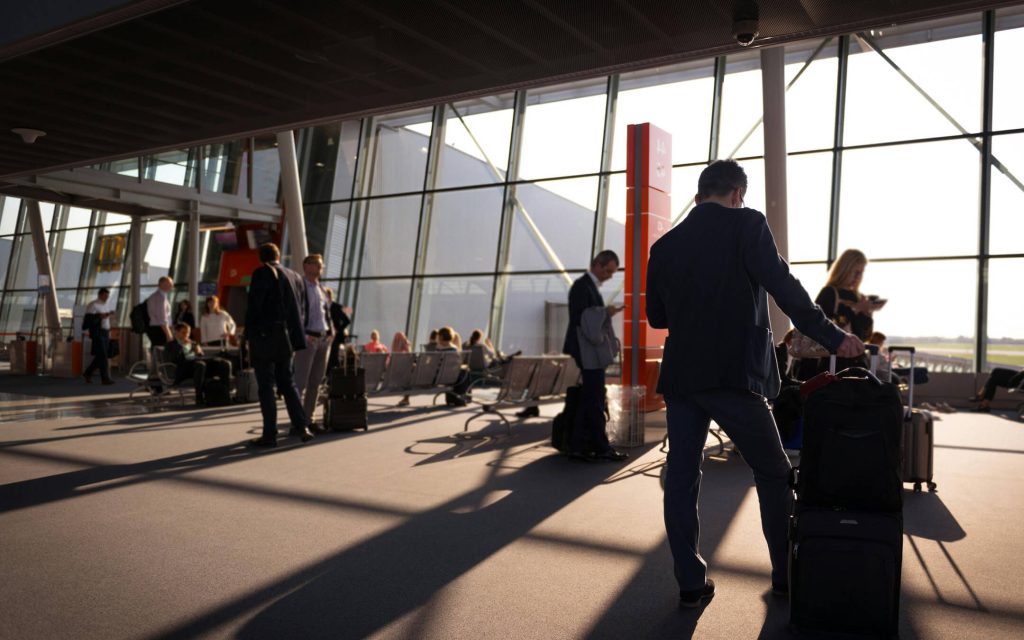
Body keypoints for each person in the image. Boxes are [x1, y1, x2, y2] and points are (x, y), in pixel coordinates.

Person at [645, 160, 864, 608]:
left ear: (699, 194)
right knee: (773, 471)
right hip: (733, 374)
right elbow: (785, 288)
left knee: (682, 479)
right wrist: (834, 338)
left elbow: (658, 318)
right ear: (736, 194)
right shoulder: (747, 224)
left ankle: (690, 583)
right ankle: (785, 574)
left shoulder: (664, 246)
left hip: (684, 377)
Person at [245, 243, 314, 447]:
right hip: (288, 340)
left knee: (266, 385)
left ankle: (269, 435)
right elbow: (304, 309)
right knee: (288, 383)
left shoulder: (261, 273)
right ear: (278, 256)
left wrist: (249, 335)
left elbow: (254, 307)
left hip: (266, 338)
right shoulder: (295, 276)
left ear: (261, 257)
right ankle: (302, 426)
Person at [562, 250, 628, 463]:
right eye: (608, 270)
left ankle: (579, 445)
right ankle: (599, 447)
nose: (609, 275)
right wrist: (606, 313)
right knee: (595, 398)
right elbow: (586, 322)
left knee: (590, 398)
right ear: (597, 265)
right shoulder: (583, 287)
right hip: (586, 351)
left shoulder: (584, 286)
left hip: (584, 350)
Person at [795, 249, 886, 379]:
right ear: (845, 269)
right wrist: (856, 310)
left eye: (861, 272)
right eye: (855, 272)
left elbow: (863, 336)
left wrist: (866, 313)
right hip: (828, 361)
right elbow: (821, 325)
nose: (858, 277)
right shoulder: (829, 293)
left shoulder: (859, 297)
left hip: (853, 360)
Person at [292, 254, 334, 432]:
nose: (319, 267)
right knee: (300, 382)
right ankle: (297, 422)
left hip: (323, 339)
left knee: (316, 382)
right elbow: (294, 312)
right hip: (308, 338)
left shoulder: (321, 289)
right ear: (306, 266)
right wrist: (303, 334)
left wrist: (331, 331)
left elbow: (326, 313)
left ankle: (309, 419)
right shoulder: (300, 286)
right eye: (316, 264)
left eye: (320, 265)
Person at [164, 322, 232, 404]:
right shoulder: (171, 345)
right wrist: (182, 346)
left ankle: (225, 394)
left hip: (197, 367)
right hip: (183, 370)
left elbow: (199, 357)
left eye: (188, 333)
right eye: (184, 332)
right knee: (200, 364)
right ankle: (199, 397)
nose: (187, 335)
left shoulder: (192, 343)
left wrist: (199, 351)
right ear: (177, 333)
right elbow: (173, 359)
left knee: (224, 363)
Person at [83, 287, 115, 385]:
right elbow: (89, 320)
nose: (106, 297)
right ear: (100, 295)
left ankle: (88, 373)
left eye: (107, 296)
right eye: (105, 295)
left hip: (105, 332)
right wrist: (101, 316)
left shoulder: (106, 305)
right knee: (103, 356)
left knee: (101, 355)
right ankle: (105, 379)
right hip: (98, 332)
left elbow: (105, 318)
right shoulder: (93, 305)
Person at [435, 326, 467, 406]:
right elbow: (457, 364)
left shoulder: (438, 348)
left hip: (439, 376)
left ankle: (451, 398)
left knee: (459, 374)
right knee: (464, 373)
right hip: (450, 377)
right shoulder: (454, 349)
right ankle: (460, 398)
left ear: (441, 337)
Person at [325, 288, 352, 371]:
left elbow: (347, 320)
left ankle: (331, 376)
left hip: (335, 336)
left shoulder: (337, 307)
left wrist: (338, 329)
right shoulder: (322, 306)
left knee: (333, 356)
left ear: (329, 296)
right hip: (325, 335)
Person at [146, 276, 174, 353]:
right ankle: (158, 365)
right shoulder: (160, 297)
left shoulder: (158, 296)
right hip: (160, 329)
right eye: (170, 284)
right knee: (161, 352)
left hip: (156, 328)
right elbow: (162, 317)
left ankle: (154, 364)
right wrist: (168, 334)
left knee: (156, 350)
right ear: (162, 284)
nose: (172, 286)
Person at [391, 332, 412, 406]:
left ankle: (406, 399)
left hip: (394, 384)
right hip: (411, 384)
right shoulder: (409, 359)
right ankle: (406, 398)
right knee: (408, 378)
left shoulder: (393, 360)